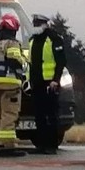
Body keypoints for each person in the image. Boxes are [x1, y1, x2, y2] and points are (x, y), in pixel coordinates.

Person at [0, 13, 28, 157]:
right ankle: (8, 145)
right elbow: (15, 60)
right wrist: (24, 62)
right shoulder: (12, 43)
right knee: (9, 114)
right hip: (9, 83)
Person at [28, 14, 67, 154]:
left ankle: (51, 145)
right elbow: (31, 62)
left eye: (38, 24)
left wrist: (56, 80)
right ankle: (41, 144)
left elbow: (61, 61)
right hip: (36, 83)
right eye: (34, 24)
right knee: (39, 115)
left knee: (51, 115)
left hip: (50, 83)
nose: (36, 27)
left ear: (45, 24)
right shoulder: (33, 40)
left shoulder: (54, 39)